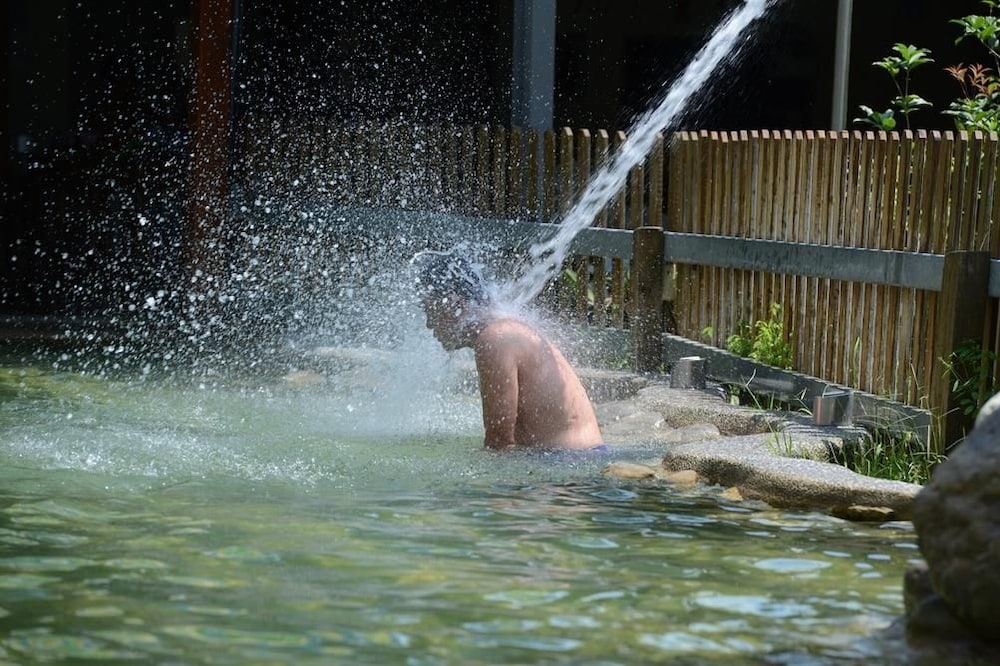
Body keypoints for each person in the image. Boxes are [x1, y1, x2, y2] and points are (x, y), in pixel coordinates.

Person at [411, 250, 604, 451]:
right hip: (575, 460)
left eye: (429, 310)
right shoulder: (507, 330)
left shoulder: (495, 338)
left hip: (569, 467)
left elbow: (499, 443)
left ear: (454, 305)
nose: (428, 324)